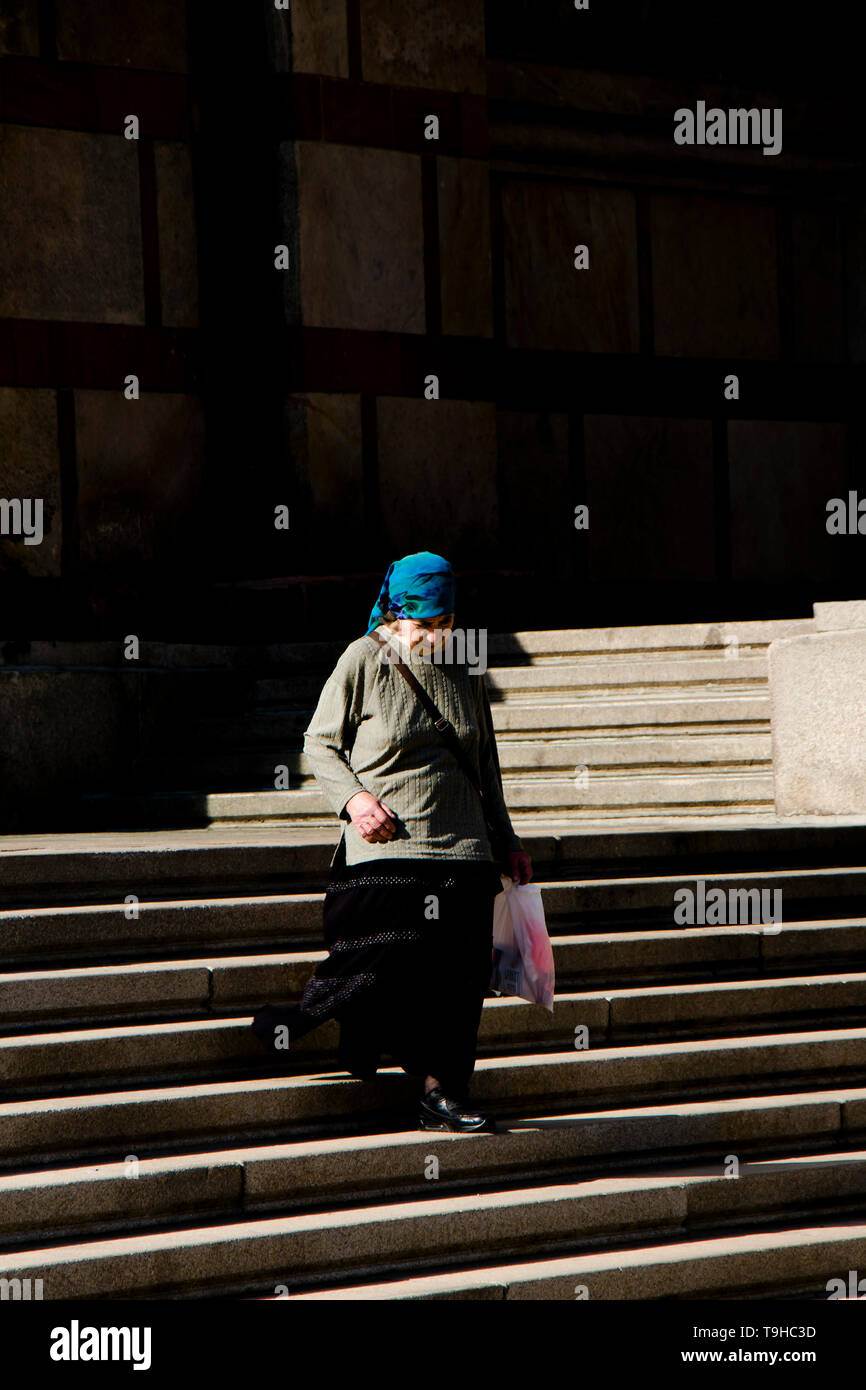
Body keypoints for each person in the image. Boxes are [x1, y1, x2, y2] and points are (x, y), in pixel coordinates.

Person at [251, 551, 532, 1132]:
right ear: (398, 613)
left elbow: (486, 766)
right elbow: (319, 743)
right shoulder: (363, 658)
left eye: (446, 624)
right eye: (426, 626)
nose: (437, 637)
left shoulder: (467, 667)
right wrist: (355, 801)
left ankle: (442, 1093)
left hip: (464, 850)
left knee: (458, 979)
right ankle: (329, 1030)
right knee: (385, 960)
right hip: (388, 847)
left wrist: (506, 839)